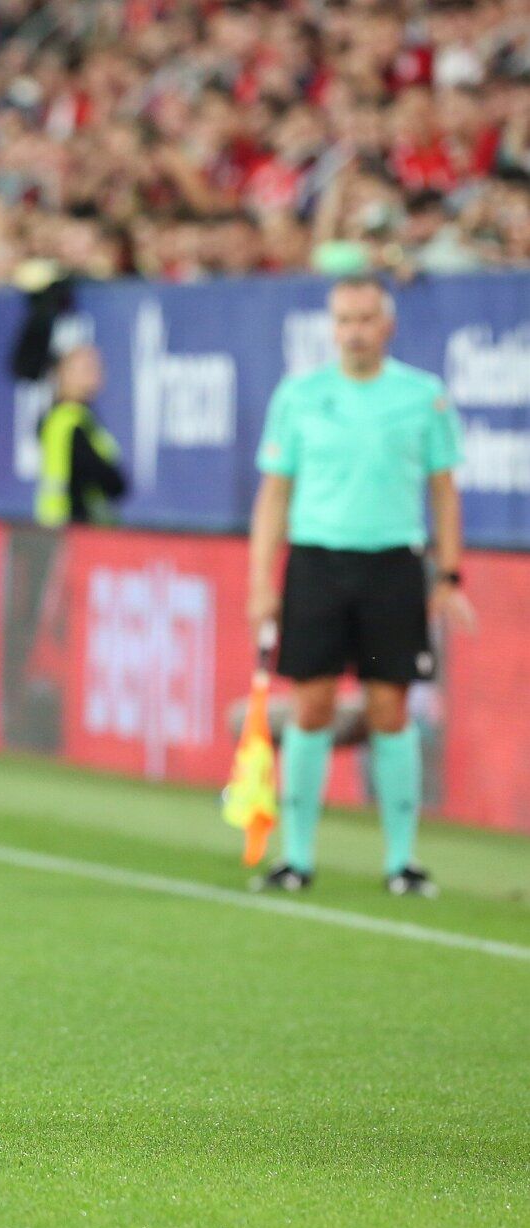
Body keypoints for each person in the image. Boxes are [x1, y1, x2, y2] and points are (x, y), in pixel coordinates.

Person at [247, 275, 474, 898]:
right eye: (344, 319)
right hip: (317, 563)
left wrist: (449, 574)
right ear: (332, 326)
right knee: (312, 705)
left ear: (388, 325)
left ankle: (402, 861)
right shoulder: (300, 394)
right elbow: (274, 494)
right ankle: (296, 858)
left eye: (365, 318)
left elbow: (444, 492)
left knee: (389, 709)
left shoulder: (423, 396)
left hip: (393, 565)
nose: (354, 331)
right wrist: (260, 581)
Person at [34, 344, 127, 527]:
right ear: (63, 373)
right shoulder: (68, 422)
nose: (96, 374)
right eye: (86, 368)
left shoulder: (81, 417)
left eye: (98, 367)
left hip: (66, 528)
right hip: (71, 528)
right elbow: (109, 481)